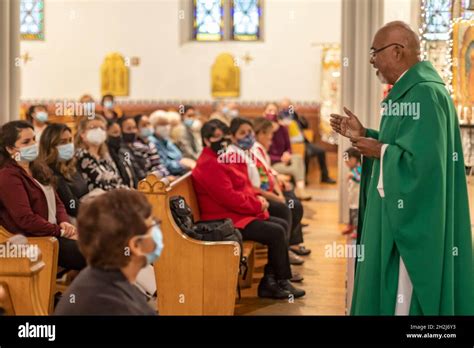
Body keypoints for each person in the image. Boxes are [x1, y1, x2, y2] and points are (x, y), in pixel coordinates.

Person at [330, 21, 474, 315]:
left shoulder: (424, 93)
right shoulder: (411, 90)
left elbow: (425, 168)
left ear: (397, 51)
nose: (371, 61)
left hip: (414, 220)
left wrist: (380, 151)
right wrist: (367, 136)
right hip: (400, 208)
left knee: (404, 297)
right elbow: (407, 146)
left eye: (375, 52)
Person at [192, 119, 305, 299]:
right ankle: (278, 281)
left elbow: (242, 185)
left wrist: (256, 200)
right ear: (206, 140)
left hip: (232, 213)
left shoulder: (221, 157)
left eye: (226, 137)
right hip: (221, 220)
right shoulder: (209, 163)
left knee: (282, 224)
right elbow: (229, 197)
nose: (224, 142)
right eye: (218, 138)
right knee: (276, 231)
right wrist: (258, 205)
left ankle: (271, 280)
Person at [54, 189, 161, 315]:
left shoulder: (106, 278)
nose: (157, 233)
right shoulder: (114, 306)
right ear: (135, 245)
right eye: (152, 226)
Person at [0, 121, 85, 270]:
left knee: (103, 245)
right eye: (26, 142)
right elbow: (26, 219)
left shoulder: (38, 167)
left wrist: (64, 222)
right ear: (9, 148)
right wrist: (60, 231)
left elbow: (57, 203)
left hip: (53, 233)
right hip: (34, 240)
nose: (33, 144)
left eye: (34, 139)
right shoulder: (8, 176)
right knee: (95, 254)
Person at [228, 117, 308, 272]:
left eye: (249, 132)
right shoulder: (233, 156)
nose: (247, 136)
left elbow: (264, 174)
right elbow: (246, 188)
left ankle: (283, 260)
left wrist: (275, 193)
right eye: (242, 133)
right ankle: (278, 273)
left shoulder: (247, 151)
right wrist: (264, 200)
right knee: (284, 211)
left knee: (289, 205)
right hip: (245, 209)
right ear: (232, 136)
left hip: (256, 198)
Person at [253, 117, 311, 257]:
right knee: (292, 206)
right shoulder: (254, 150)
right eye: (269, 135)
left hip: (270, 187)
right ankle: (288, 247)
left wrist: (277, 177)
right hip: (262, 194)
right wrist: (277, 190)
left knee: (292, 197)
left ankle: (292, 244)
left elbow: (267, 170)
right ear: (260, 133)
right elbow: (262, 176)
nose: (271, 139)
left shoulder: (260, 149)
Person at [38, 123, 89, 218]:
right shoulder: (49, 172)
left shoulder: (71, 165)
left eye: (70, 140)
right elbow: (72, 207)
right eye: (63, 142)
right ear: (50, 145)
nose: (69, 145)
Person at [279, 98, 336, 184]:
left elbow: (305, 126)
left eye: (288, 107)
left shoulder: (295, 116)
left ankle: (325, 176)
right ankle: (303, 178)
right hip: (294, 145)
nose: (286, 110)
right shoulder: (280, 117)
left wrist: (296, 115)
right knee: (306, 153)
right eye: (284, 107)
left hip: (304, 143)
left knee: (321, 151)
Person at [264, 103, 311, 201]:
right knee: (295, 168)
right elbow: (264, 153)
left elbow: (288, 147)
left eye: (274, 111)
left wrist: (287, 154)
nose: (272, 113)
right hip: (273, 163)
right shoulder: (263, 131)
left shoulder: (283, 128)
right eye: (269, 110)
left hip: (285, 159)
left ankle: (300, 188)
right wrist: (279, 158)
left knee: (297, 157)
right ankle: (300, 189)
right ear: (264, 113)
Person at [75, 115, 125, 191]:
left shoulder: (105, 155)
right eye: (93, 127)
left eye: (102, 128)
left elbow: (118, 179)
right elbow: (100, 183)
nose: (98, 130)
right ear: (82, 133)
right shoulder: (81, 155)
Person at [147, 110, 195, 175]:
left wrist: (184, 162)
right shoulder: (152, 141)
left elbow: (178, 155)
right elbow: (165, 164)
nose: (166, 127)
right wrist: (181, 164)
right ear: (154, 126)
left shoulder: (166, 139)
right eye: (162, 124)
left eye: (167, 124)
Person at [106, 120, 141, 188]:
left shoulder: (124, 152)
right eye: (115, 132)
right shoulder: (107, 156)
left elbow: (131, 170)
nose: (119, 136)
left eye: (120, 132)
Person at [341, 147, 361, 238]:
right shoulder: (352, 169)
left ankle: (357, 229)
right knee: (351, 212)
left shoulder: (358, 168)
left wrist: (352, 175)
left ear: (353, 159)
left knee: (356, 214)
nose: (346, 164)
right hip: (352, 196)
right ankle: (351, 226)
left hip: (357, 198)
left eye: (347, 161)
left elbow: (359, 178)